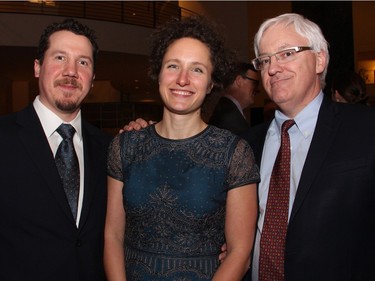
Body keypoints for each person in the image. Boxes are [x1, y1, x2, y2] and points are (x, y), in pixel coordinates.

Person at [104, 16, 260, 281]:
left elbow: (240, 252)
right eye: (173, 66)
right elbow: (113, 235)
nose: (183, 79)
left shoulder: (234, 153)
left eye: (197, 69)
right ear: (158, 73)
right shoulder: (125, 146)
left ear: (211, 83)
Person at [239, 13, 375, 281]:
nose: (272, 68)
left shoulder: (366, 129)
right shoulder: (245, 144)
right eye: (264, 60)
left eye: (286, 54)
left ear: (320, 60)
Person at [0, 18, 112, 281]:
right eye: (60, 58)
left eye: (83, 62)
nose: (71, 71)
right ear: (38, 67)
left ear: (93, 79)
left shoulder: (110, 148)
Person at [208, 62, 259, 135]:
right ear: (239, 81)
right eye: (255, 83)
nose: (258, 89)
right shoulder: (228, 118)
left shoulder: (226, 110)